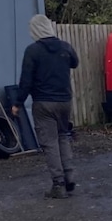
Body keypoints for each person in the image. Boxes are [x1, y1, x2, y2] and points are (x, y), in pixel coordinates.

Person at [13, 15, 80, 198]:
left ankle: (58, 184)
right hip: (65, 101)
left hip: (43, 103)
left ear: (34, 31)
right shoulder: (65, 47)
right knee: (63, 137)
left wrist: (17, 103)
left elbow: (26, 81)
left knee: (50, 143)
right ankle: (70, 177)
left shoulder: (33, 51)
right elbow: (75, 62)